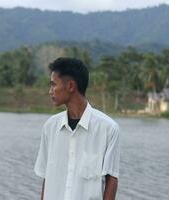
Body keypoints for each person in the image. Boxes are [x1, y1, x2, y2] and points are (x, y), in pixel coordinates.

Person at [34, 57, 120, 200]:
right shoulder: (50, 127)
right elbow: (46, 179)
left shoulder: (108, 129)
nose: (50, 91)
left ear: (71, 86)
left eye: (53, 85)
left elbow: (111, 180)